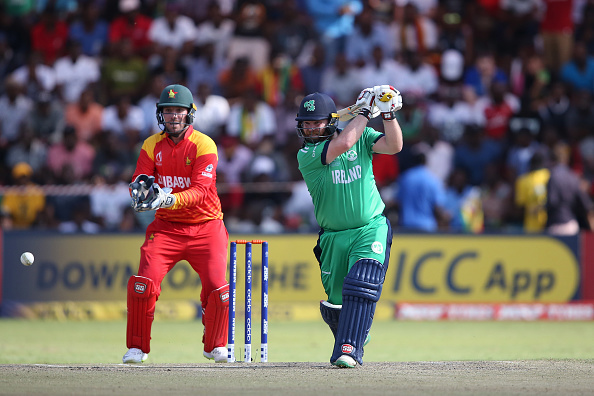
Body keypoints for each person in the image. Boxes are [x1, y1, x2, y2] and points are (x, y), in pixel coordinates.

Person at [295, 86, 403, 368]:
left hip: (370, 226)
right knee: (335, 305)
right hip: (333, 236)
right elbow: (343, 144)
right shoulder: (307, 155)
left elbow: (394, 146)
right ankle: (354, 332)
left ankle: (349, 348)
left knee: (362, 282)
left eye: (316, 122)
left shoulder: (362, 136)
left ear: (331, 121)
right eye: (306, 124)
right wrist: (366, 111)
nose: (310, 128)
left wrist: (389, 114)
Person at [122, 84, 229, 364]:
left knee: (219, 289)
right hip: (167, 229)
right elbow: (140, 182)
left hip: (206, 226)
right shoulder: (150, 145)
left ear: (190, 113)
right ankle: (137, 347)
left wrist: (166, 199)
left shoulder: (205, 144)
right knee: (143, 284)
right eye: (167, 111)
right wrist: (140, 194)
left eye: (178, 110)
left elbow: (201, 192)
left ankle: (215, 344)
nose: (173, 116)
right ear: (161, 115)